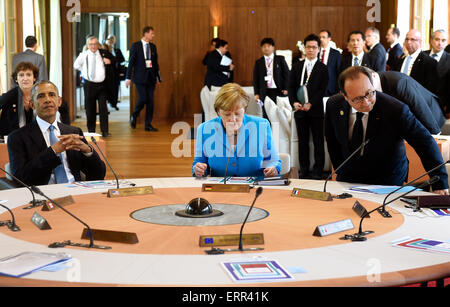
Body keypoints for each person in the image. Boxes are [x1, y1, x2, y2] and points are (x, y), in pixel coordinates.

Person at [325, 66, 448, 194]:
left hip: (387, 178)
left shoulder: (395, 110)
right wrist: (341, 170)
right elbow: (332, 140)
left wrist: (440, 183)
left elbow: (425, 143)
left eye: (369, 93)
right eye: (358, 99)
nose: (366, 102)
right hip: (349, 176)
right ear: (345, 96)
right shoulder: (334, 105)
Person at [7, 81, 106, 187]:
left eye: (52, 95)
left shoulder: (73, 132)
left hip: (76, 191)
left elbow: (98, 175)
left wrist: (87, 151)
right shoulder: (17, 137)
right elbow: (20, 179)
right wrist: (53, 151)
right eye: (41, 96)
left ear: (59, 101)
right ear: (32, 104)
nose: (48, 100)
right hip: (44, 194)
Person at [193, 83, 281, 178]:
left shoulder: (261, 126)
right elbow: (199, 162)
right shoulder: (204, 129)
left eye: (238, 113)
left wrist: (273, 168)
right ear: (218, 112)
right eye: (227, 114)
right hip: (220, 188)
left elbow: (274, 161)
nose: (233, 119)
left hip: (255, 188)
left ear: (244, 110)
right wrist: (198, 169)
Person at [288, 34, 329, 179]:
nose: (311, 50)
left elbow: (323, 89)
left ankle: (318, 171)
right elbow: (291, 87)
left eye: (314, 47)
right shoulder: (297, 66)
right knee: (302, 142)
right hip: (300, 111)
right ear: (304, 49)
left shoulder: (323, 68)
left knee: (318, 142)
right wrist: (294, 102)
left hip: (316, 111)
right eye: (308, 47)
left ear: (319, 49)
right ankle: (304, 170)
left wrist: (311, 103)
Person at [369, 68, 445, 135]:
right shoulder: (373, 85)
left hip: (430, 114)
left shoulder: (399, 82)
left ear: (374, 75)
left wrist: (435, 132)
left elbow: (419, 106)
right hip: (409, 121)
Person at [126, 26, 162, 132]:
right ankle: (134, 115)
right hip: (139, 78)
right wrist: (128, 77)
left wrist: (158, 78)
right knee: (143, 99)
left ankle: (148, 124)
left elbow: (155, 64)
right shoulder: (135, 46)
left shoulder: (153, 46)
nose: (153, 35)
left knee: (150, 101)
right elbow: (131, 63)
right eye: (152, 33)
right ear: (146, 34)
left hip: (151, 78)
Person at [73, 36, 110, 137]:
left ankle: (105, 131)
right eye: (91, 44)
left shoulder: (102, 53)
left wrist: (109, 61)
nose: (93, 46)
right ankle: (91, 131)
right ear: (88, 45)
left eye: (95, 44)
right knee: (90, 108)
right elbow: (76, 65)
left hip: (102, 85)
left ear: (98, 45)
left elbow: (113, 60)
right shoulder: (84, 55)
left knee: (103, 108)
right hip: (89, 85)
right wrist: (84, 72)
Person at [391, 29, 438, 95]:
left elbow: (430, 89)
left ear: (420, 42)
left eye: (412, 39)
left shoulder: (429, 62)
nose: (409, 42)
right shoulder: (401, 59)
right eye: (407, 39)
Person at [252, 37, 290, 119]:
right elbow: (255, 79)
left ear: (273, 47)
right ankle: (267, 131)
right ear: (261, 48)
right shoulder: (259, 62)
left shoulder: (280, 59)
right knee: (266, 114)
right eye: (264, 46)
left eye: (268, 46)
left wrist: (286, 88)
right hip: (264, 92)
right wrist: (256, 93)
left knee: (278, 114)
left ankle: (276, 131)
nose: (266, 48)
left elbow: (287, 74)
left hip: (278, 91)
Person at [0, 62, 39, 137]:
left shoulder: (40, 95)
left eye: (28, 75)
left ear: (34, 78)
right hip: (11, 139)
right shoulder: (9, 96)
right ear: (16, 79)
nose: (25, 78)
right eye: (21, 75)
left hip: (35, 138)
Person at [105, 35, 126, 111]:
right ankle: (109, 102)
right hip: (108, 72)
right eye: (109, 39)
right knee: (108, 88)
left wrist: (116, 61)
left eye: (112, 39)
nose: (111, 41)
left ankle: (114, 103)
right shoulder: (105, 50)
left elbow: (122, 60)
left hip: (116, 72)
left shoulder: (117, 50)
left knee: (116, 88)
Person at [318, 29, 342, 96]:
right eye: (320, 37)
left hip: (331, 89)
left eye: (323, 37)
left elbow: (339, 71)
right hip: (317, 88)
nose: (321, 39)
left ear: (329, 39)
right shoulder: (316, 53)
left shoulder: (336, 53)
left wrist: (339, 88)